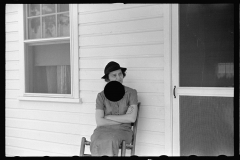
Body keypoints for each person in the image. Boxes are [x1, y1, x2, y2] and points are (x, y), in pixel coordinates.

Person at [90, 61, 138, 156]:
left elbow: (132, 118)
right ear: (108, 78)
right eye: (114, 75)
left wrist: (107, 117)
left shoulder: (131, 93)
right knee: (96, 139)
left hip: (123, 130)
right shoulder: (101, 96)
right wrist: (124, 119)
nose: (118, 78)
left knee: (111, 140)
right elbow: (99, 122)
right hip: (102, 130)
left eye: (120, 74)